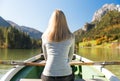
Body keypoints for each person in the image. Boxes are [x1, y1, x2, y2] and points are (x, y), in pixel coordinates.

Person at [41, 9, 75, 81]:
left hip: (48, 76)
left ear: (51, 20)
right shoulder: (71, 36)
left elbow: (46, 57)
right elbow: (70, 57)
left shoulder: (44, 36)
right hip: (66, 76)